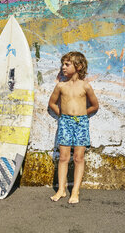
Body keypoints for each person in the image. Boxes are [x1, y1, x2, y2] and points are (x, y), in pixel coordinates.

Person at [48, 51, 99, 204]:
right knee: (63, 157)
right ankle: (61, 189)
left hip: (81, 123)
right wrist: (62, 115)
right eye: (62, 64)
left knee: (78, 158)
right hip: (64, 122)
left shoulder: (86, 86)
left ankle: (75, 191)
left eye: (67, 64)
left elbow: (95, 106)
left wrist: (82, 115)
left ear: (79, 66)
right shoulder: (61, 86)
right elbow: (51, 103)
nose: (63, 67)